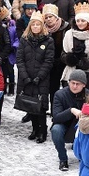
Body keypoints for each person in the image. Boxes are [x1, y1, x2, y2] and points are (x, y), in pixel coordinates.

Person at [16, 12, 55, 142]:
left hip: (41, 79)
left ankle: (42, 131)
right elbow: (20, 59)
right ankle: (34, 129)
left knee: (41, 106)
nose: (36, 27)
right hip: (26, 78)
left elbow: (48, 61)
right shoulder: (24, 39)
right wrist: (25, 76)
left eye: (38, 24)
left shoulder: (48, 40)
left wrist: (40, 76)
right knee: (30, 105)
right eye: (34, 24)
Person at [51, 70, 89, 171]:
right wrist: (71, 111)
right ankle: (63, 159)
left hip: (83, 125)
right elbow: (56, 117)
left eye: (78, 84)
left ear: (84, 85)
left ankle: (85, 158)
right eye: (72, 83)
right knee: (55, 130)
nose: (74, 86)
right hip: (64, 124)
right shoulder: (60, 94)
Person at [61, 3, 89, 91]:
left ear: (88, 21)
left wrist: (84, 62)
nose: (80, 23)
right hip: (71, 71)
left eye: (83, 21)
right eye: (78, 21)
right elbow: (63, 53)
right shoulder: (69, 34)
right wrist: (71, 58)